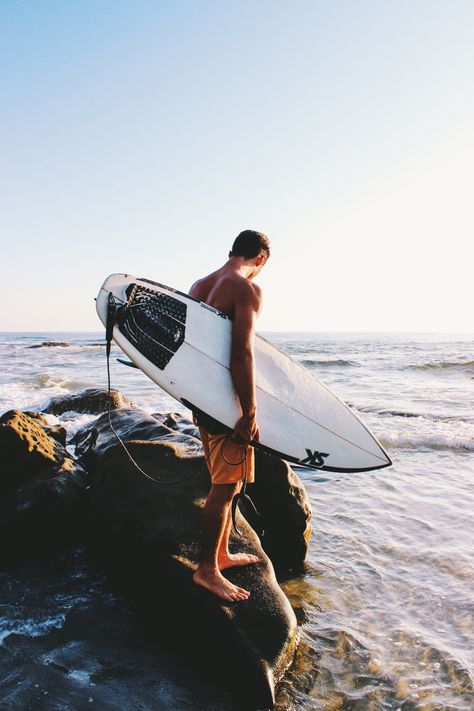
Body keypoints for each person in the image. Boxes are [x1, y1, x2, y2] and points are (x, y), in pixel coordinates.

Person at [188, 229, 270, 602]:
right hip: (225, 405)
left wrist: (192, 403)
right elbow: (242, 353)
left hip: (203, 401)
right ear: (261, 259)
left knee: (229, 484)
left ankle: (220, 554)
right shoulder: (247, 289)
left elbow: (190, 352)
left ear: (231, 251)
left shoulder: (199, 285)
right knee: (223, 490)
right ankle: (207, 570)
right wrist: (248, 412)